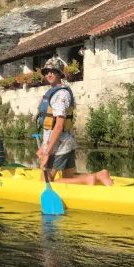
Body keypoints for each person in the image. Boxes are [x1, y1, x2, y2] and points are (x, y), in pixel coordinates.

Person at [37, 57, 113, 186]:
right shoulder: (57, 91)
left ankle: (93, 177)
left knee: (46, 182)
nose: (49, 74)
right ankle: (98, 176)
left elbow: (59, 125)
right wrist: (43, 147)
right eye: (46, 72)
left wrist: (47, 153)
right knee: (69, 179)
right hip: (66, 142)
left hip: (58, 146)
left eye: (53, 71)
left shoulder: (61, 95)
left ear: (60, 73)